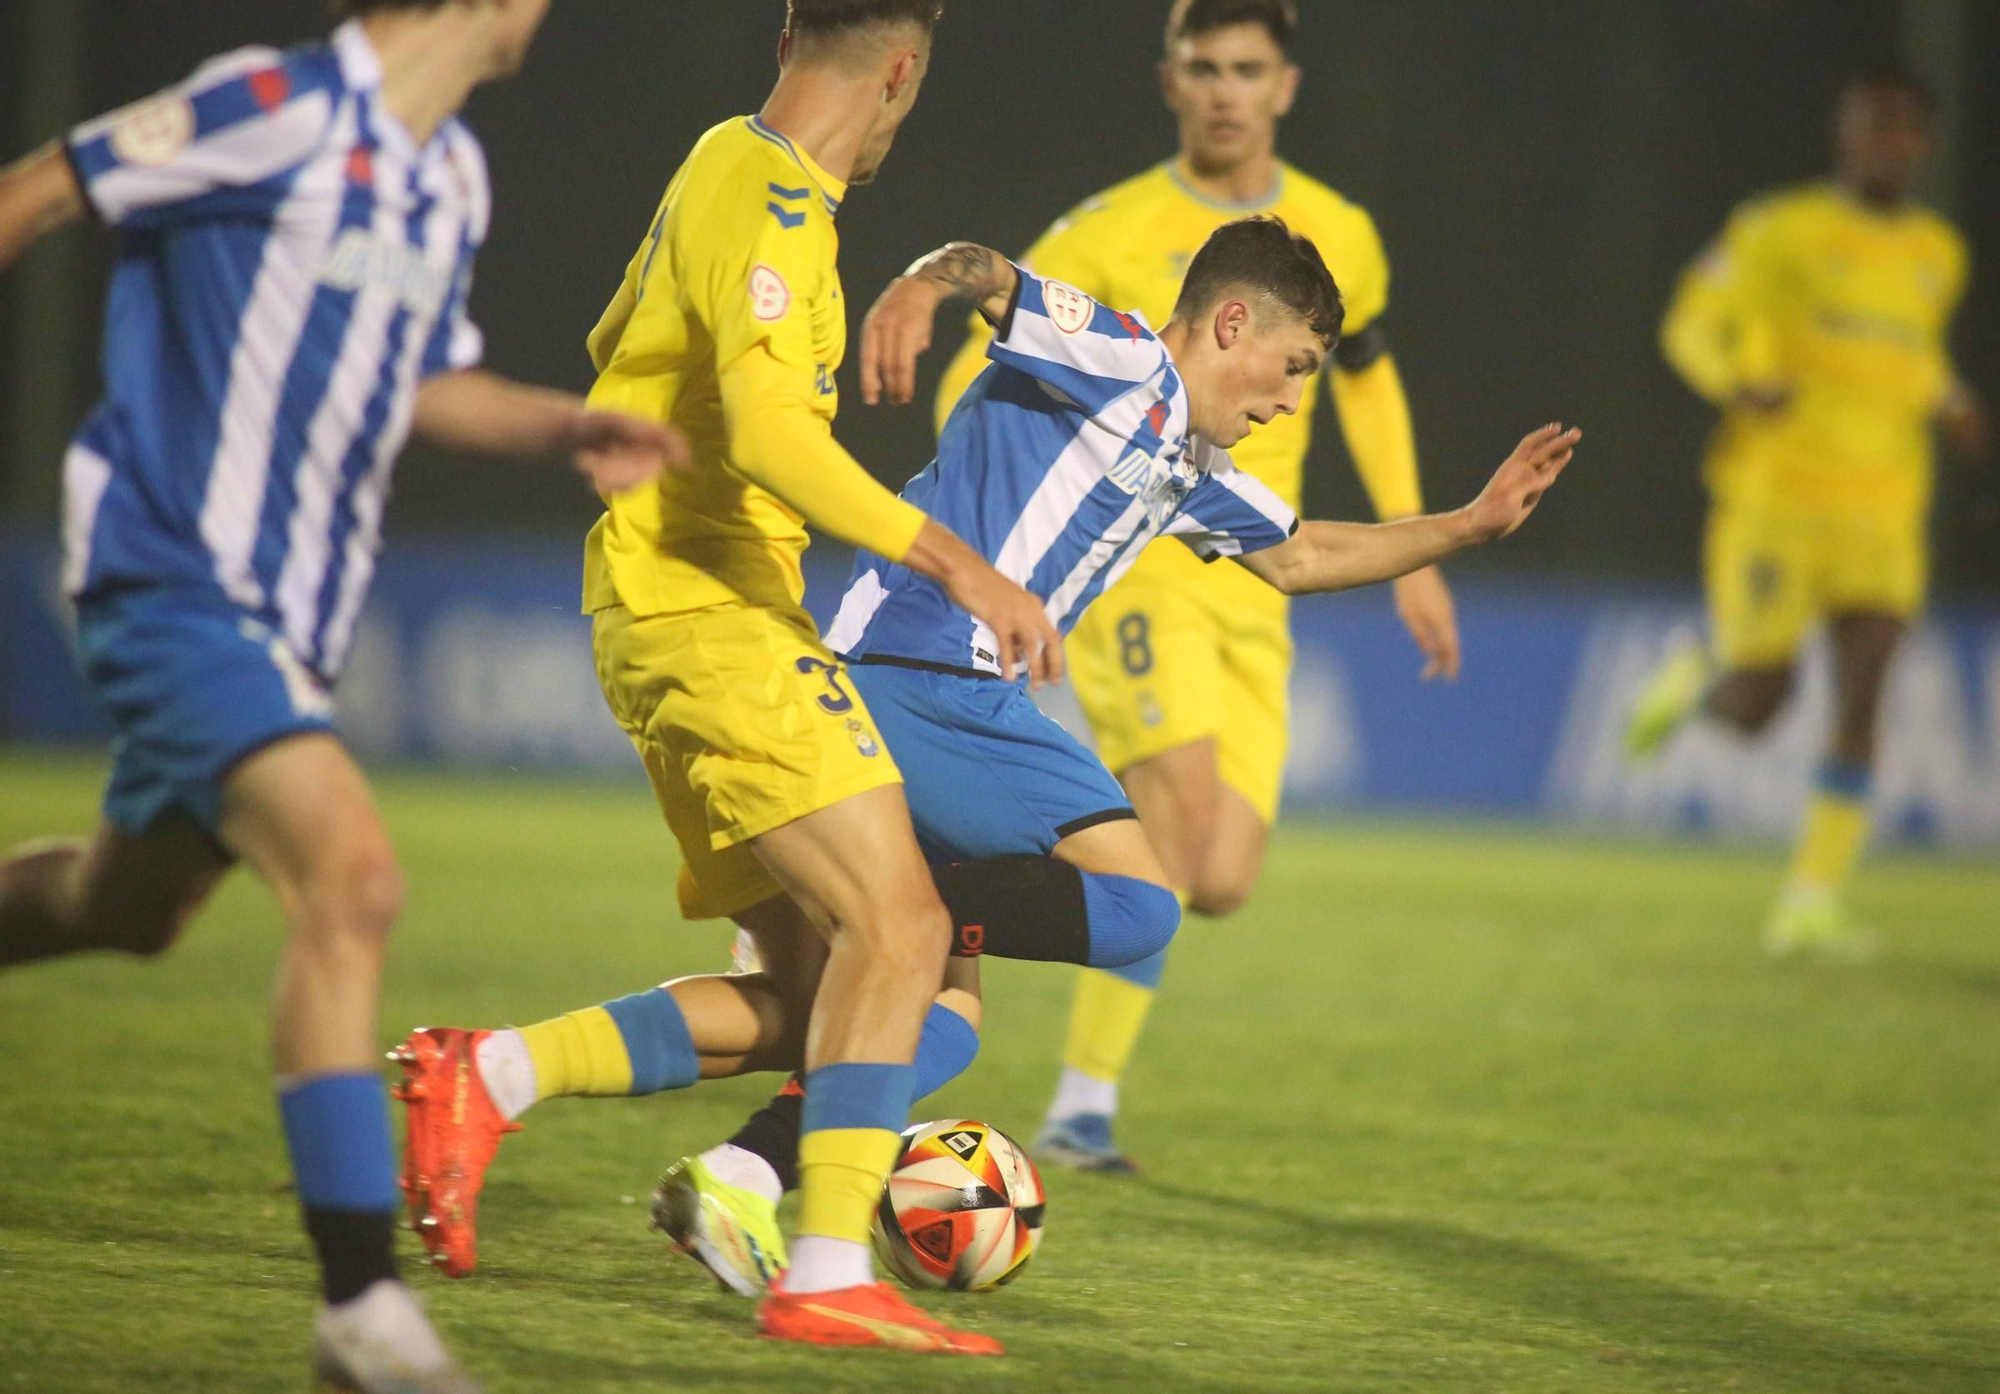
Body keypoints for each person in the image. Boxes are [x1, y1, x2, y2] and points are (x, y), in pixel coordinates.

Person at [393, 216, 1579, 1302]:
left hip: (919, 693)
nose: (1285, 402)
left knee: (902, 1019)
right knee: (1136, 904)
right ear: (1232, 325)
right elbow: (987, 274)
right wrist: (915, 289)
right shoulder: (1122, 362)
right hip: (920, 676)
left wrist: (1465, 525)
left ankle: (517, 1082)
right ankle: (881, 972)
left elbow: (1299, 555)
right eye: (1293, 369)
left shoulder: (1187, 464)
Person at [0, 3, 682, 1390]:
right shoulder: (276, 105)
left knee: (117, 911)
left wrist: (560, 423)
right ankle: (360, 1310)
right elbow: (31, 196)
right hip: (169, 578)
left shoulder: (448, 174)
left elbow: (425, 386)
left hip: (286, 625)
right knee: (351, 877)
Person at [392, 0, 1062, 1357]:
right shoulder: (767, 193)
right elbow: (764, 431)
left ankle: (486, 1072)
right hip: (708, 609)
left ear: (781, 41)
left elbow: (617, 335)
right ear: (901, 71)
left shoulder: (732, 171)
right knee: (909, 932)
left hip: (688, 604)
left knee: (825, 989)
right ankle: (824, 1264)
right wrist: (960, 565)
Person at [931, 0, 1458, 1171]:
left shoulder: (1339, 238)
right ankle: (1082, 1105)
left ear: (1285, 85)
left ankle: (971, 875)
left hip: (1256, 565)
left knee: (1219, 873)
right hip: (1143, 561)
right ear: (1168, 81)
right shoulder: (1109, 227)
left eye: (1247, 69)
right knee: (1171, 810)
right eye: (1202, 67)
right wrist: (998, 542)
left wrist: (1421, 556)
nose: (1224, 89)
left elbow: (1366, 383)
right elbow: (985, 361)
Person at [1626, 67, 1985, 957]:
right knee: (1760, 703)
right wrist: (1737, 380)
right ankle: (1696, 683)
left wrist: (1951, 400)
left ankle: (1809, 901)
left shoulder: (1939, 254)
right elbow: (1690, 318)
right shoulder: (1776, 229)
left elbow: (1906, 352)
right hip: (1777, 500)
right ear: (1845, 136)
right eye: (1872, 126)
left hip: (1886, 512)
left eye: (1903, 129)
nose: (1886, 143)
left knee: (1865, 698)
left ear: (1924, 145)